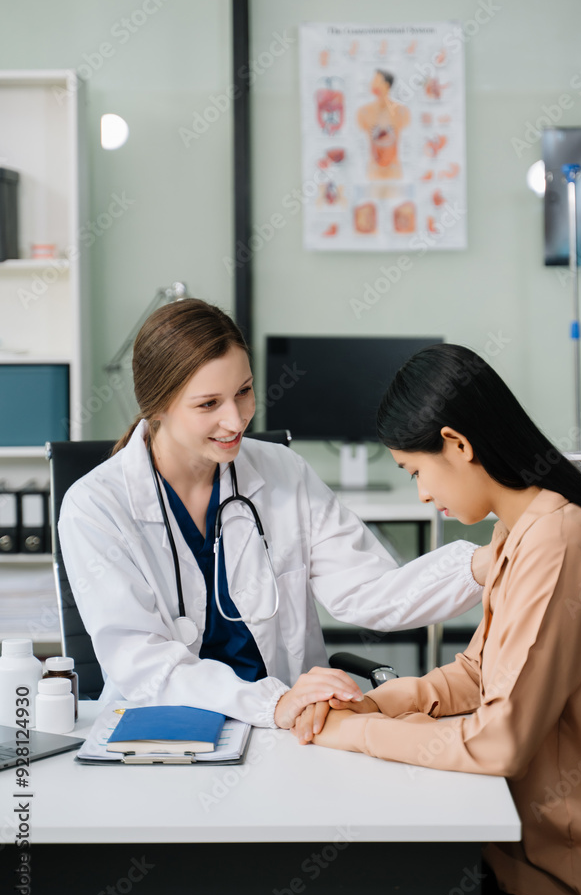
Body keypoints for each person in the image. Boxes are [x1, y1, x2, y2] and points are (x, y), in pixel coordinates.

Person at [300, 343, 581, 895]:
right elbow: (477, 672)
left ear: (459, 445)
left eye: (417, 471)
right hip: (532, 849)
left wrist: (355, 732)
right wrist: (377, 701)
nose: (422, 493)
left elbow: (498, 742)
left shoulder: (558, 541)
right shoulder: (518, 532)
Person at [58, 300, 489, 731]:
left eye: (244, 391)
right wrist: (271, 702)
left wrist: (484, 564)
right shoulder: (95, 507)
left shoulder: (283, 471)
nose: (236, 419)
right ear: (158, 406)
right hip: (165, 733)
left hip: (293, 726)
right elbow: (144, 662)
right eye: (208, 404)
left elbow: (369, 590)